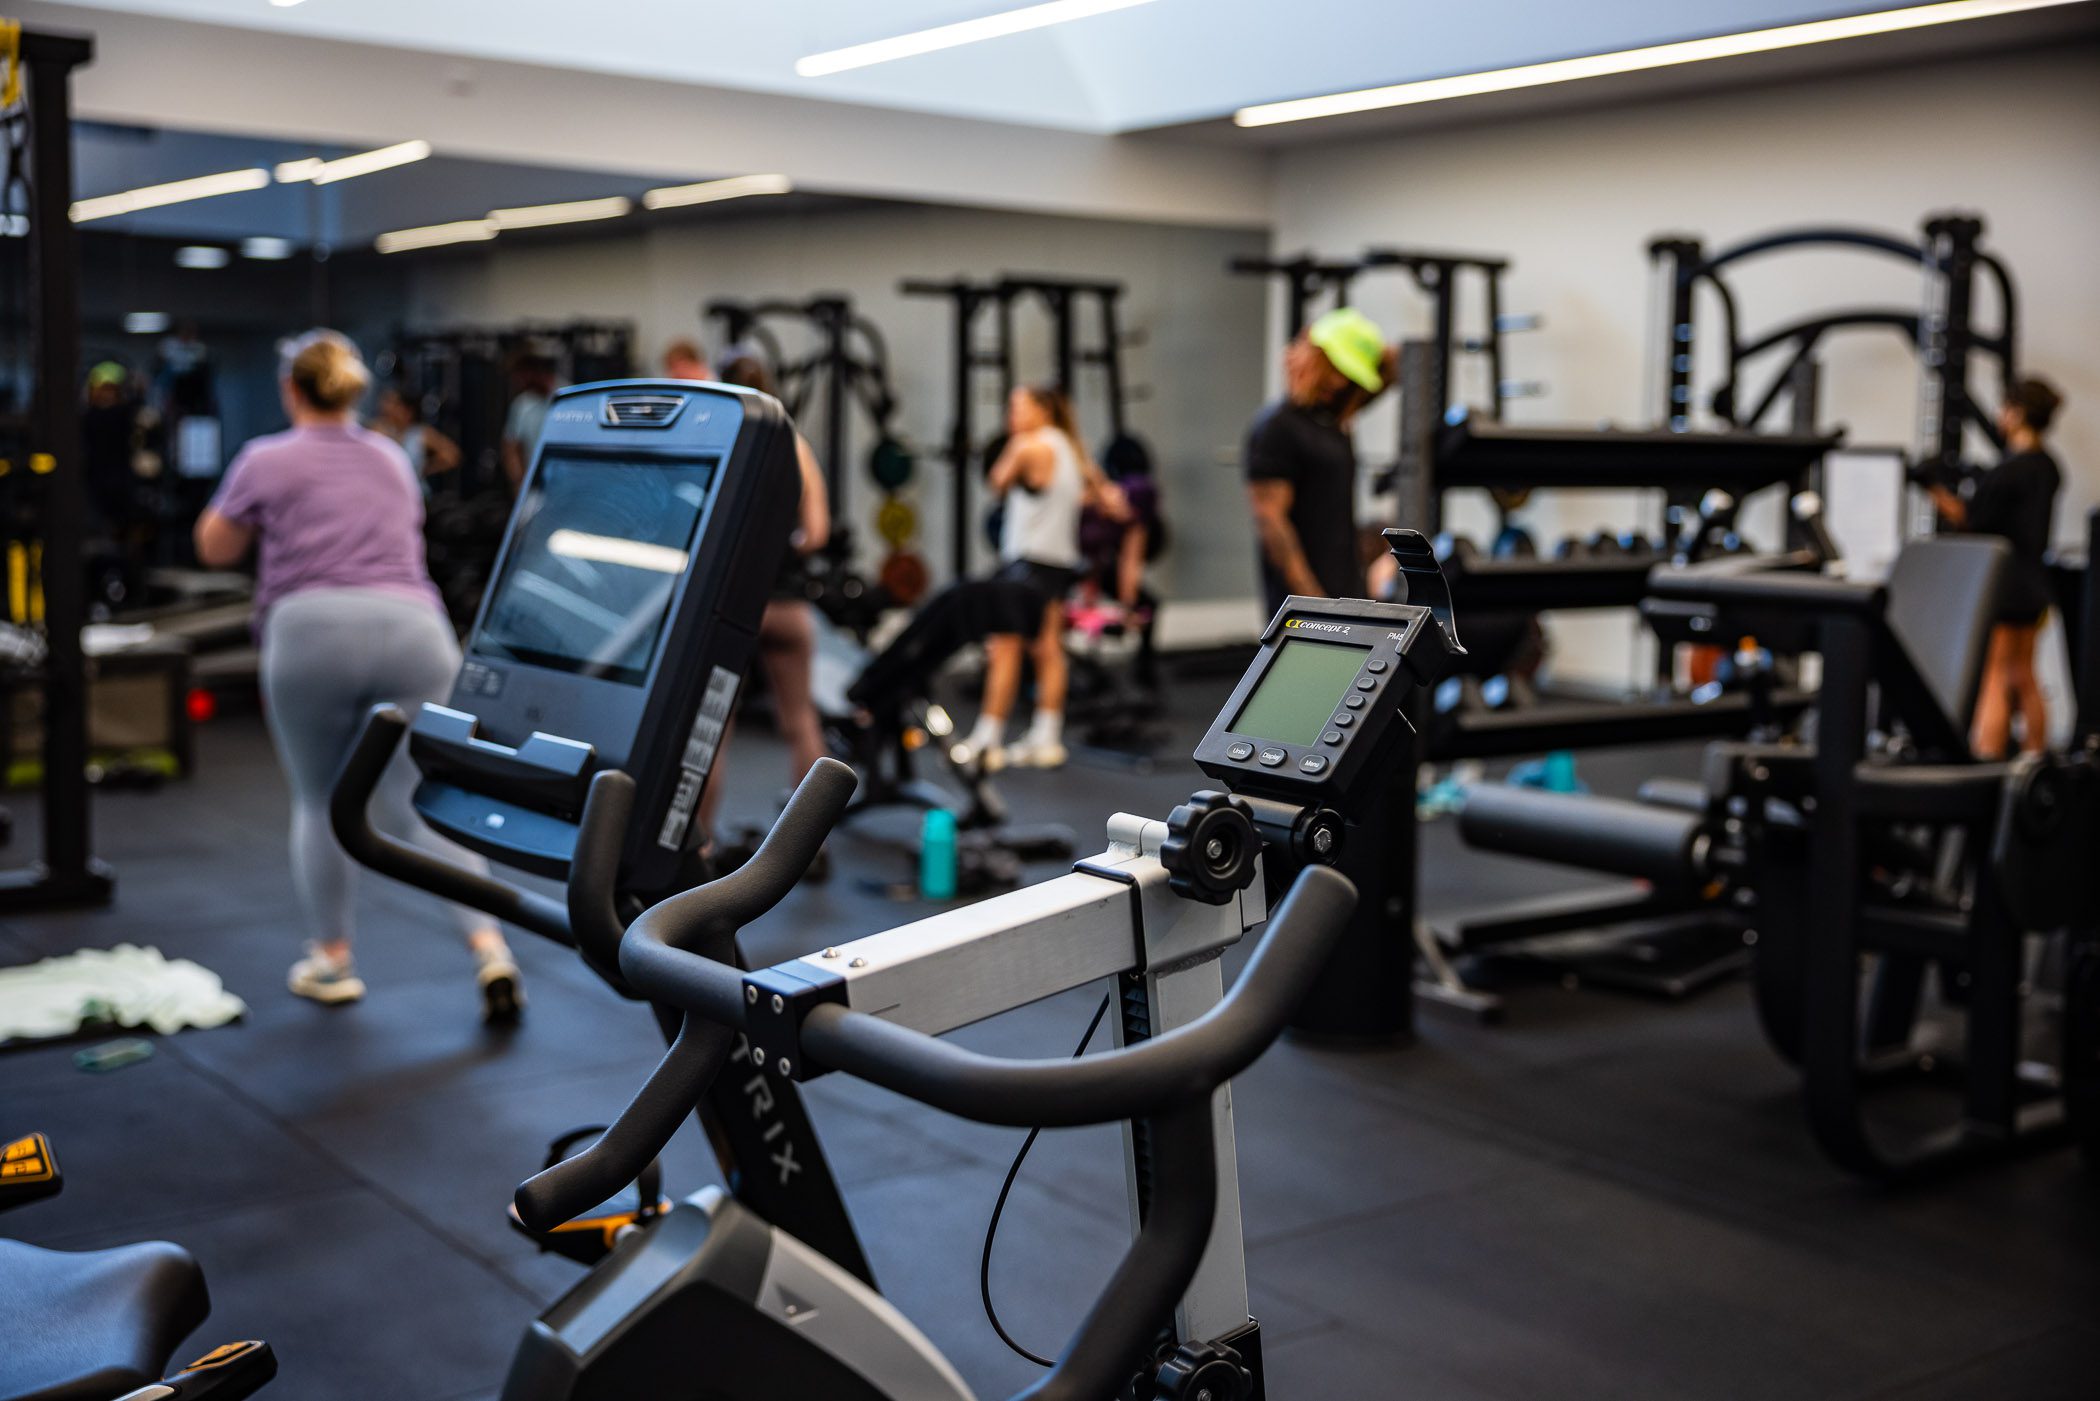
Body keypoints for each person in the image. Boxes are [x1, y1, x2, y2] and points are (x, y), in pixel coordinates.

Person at [193, 330, 521, 1019]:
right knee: (428, 798)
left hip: (312, 628)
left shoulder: (266, 458)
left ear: (291, 390)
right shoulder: (391, 457)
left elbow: (214, 547)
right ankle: (491, 947)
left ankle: (332, 959)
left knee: (320, 799)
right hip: (415, 629)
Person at [693, 347, 830, 860]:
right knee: (801, 720)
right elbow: (816, 532)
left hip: (732, 602)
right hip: (788, 605)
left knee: (710, 729)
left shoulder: (720, 434)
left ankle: (699, 848)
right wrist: (782, 546)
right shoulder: (793, 441)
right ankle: (807, 847)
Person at [956, 385, 1127, 771]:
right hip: (1058, 565)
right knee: (1048, 650)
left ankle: (987, 741)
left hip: (1028, 563)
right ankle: (1047, 738)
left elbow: (995, 482)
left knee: (1004, 647)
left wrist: (1013, 449)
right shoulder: (1073, 450)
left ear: (1042, 411)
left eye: (1018, 408)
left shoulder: (1027, 445)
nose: (1011, 416)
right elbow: (1110, 500)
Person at [1927, 376, 2067, 757]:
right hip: (2035, 583)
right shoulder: (2049, 467)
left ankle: (1988, 760)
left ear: (2018, 414)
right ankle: (2034, 761)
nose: (1999, 415)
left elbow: (1969, 518)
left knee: (1994, 675)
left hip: (2004, 586)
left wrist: (1930, 487)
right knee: (2024, 674)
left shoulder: (2010, 471)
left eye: (2005, 408)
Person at [1243, 307, 1396, 618]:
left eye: (1349, 374)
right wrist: (1315, 604)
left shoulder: (1335, 421)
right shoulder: (1277, 427)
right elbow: (1271, 523)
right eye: (1333, 366)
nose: (1338, 382)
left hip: (1346, 591)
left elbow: (1393, 368)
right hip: (1305, 603)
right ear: (1313, 356)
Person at [372, 385, 462, 493]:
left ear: (408, 410)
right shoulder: (379, 430)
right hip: (388, 494)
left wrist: (423, 469)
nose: (387, 408)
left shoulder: (420, 433)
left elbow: (452, 456)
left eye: (395, 404)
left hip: (416, 494)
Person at [500, 351, 558, 494]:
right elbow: (511, 447)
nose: (517, 381)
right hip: (534, 488)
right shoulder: (522, 406)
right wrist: (519, 484)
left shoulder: (567, 398)